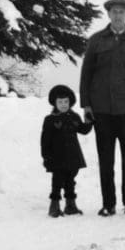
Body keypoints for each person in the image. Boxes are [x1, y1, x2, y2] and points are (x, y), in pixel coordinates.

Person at [79, 0, 125, 217]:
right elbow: (86, 74)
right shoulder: (96, 41)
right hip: (102, 111)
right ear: (108, 14)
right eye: (114, 11)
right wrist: (86, 104)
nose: (118, 15)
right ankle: (108, 204)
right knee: (106, 161)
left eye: (122, 12)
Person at [41, 85, 92, 217]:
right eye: (60, 102)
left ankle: (70, 205)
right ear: (54, 103)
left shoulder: (74, 117)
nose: (63, 105)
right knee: (57, 180)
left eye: (66, 102)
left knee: (70, 180)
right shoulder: (50, 119)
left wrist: (89, 121)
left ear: (70, 102)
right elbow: (45, 141)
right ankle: (54, 206)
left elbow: (83, 130)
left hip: (73, 156)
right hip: (57, 157)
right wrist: (46, 157)